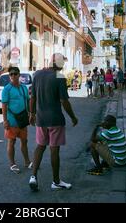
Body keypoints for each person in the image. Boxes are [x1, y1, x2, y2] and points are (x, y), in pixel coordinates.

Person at [28, 53, 79, 191]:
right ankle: (56, 181)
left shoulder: (37, 74)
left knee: (40, 146)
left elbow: (32, 97)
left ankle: (33, 176)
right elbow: (64, 101)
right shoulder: (59, 77)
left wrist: (31, 114)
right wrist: (73, 117)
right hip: (55, 120)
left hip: (41, 119)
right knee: (54, 150)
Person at [1, 66, 32, 174]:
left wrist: (31, 114)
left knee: (24, 141)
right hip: (12, 120)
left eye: (15, 74)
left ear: (19, 75)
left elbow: (28, 101)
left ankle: (27, 162)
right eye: (11, 74)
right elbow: (4, 105)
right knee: (11, 142)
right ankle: (12, 164)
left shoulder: (23, 88)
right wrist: (5, 121)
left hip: (23, 119)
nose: (13, 76)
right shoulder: (7, 89)